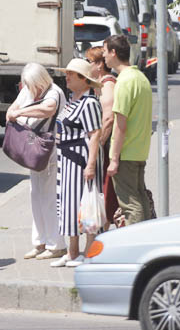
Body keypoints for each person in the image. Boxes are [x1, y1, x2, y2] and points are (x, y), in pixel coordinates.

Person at [8, 62, 67, 260]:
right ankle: (40, 242)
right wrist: (14, 111)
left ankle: (56, 244)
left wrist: (20, 113)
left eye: (32, 85)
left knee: (50, 198)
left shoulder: (54, 92)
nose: (30, 89)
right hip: (36, 149)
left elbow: (48, 109)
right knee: (36, 196)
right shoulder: (29, 91)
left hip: (51, 150)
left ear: (40, 81)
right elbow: (11, 110)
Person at [51, 59, 103, 267]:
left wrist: (90, 164)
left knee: (84, 206)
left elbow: (95, 134)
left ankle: (88, 251)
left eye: (71, 74)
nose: (67, 76)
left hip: (80, 159)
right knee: (67, 205)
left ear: (84, 79)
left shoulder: (89, 103)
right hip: (66, 158)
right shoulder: (73, 100)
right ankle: (72, 251)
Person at [104, 34, 154, 224]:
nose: (104, 57)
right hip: (139, 150)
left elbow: (120, 125)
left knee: (130, 204)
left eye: (105, 52)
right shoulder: (140, 78)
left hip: (126, 153)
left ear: (114, 53)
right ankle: (147, 238)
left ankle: (137, 245)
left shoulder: (124, 82)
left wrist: (114, 158)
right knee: (140, 198)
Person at [86, 45, 120, 227]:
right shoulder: (99, 84)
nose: (87, 65)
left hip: (107, 147)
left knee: (107, 192)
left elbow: (108, 118)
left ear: (99, 65)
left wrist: (99, 144)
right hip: (104, 146)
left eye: (89, 61)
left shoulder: (107, 84)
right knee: (105, 191)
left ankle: (105, 232)